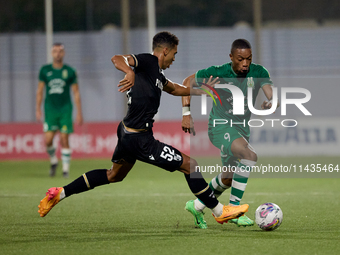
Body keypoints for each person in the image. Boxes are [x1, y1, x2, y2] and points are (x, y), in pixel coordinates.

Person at [38, 32, 249, 225]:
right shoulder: (147, 61)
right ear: (164, 50)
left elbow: (175, 88)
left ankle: (60, 193)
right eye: (174, 54)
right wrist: (129, 71)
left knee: (114, 175)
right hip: (140, 139)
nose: (174, 59)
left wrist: (201, 90)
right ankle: (220, 211)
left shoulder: (155, 73)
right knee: (190, 165)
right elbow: (116, 58)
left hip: (127, 132)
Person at [182, 39, 277, 229]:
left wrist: (271, 101)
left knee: (229, 177)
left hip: (241, 130)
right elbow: (187, 82)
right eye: (241, 59)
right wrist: (186, 113)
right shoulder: (219, 72)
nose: (245, 63)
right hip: (220, 127)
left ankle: (197, 205)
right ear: (231, 57)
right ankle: (234, 210)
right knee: (250, 156)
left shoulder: (259, 72)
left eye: (248, 59)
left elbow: (270, 92)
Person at [36, 43, 83, 178]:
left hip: (65, 109)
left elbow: (76, 92)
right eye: (55, 51)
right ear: (52, 53)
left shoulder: (69, 71)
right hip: (50, 109)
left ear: (64, 53)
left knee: (64, 138)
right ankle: (53, 161)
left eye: (60, 51)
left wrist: (79, 112)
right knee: (48, 141)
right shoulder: (45, 70)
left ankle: (65, 170)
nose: (57, 54)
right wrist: (38, 109)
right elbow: (40, 91)